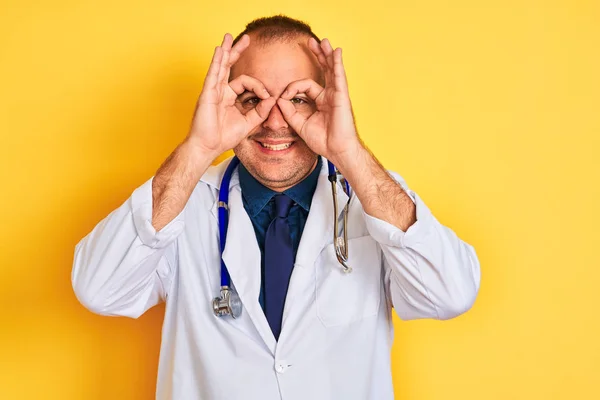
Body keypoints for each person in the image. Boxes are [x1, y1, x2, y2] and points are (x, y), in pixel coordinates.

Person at [72, 15, 480, 400]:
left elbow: (450, 294)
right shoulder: (182, 200)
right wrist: (198, 149)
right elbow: (100, 289)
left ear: (328, 103)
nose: (275, 120)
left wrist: (350, 152)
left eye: (299, 99)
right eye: (252, 98)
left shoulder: (373, 199)